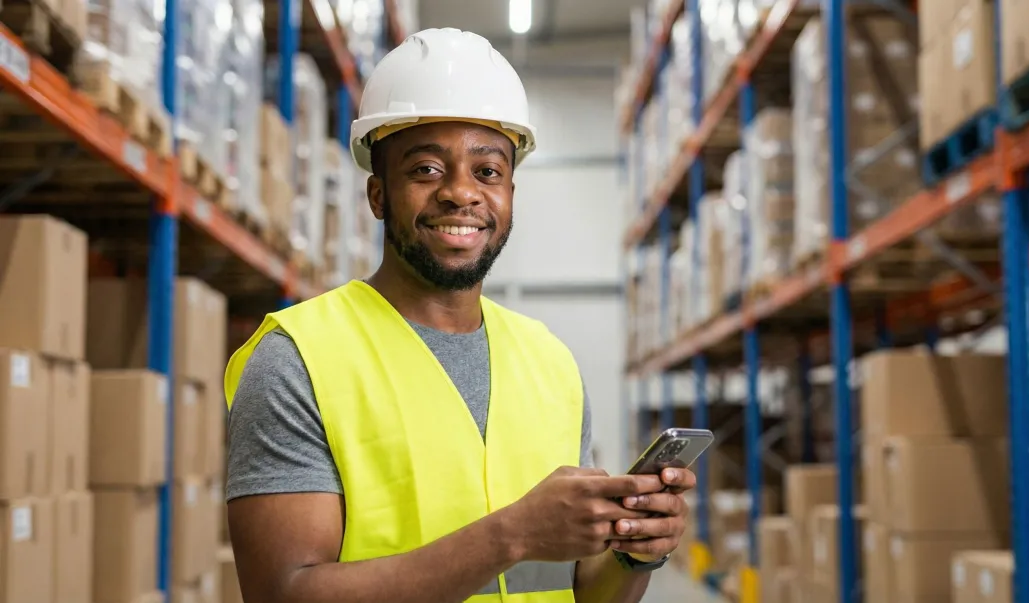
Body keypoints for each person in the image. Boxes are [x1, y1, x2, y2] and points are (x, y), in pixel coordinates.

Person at [223, 27, 697, 603]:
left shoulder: (550, 363)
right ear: (377, 195)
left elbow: (580, 591)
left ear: (511, 194)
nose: (460, 193)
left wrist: (634, 551)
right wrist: (514, 534)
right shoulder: (298, 359)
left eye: (488, 171)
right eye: (425, 169)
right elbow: (283, 593)